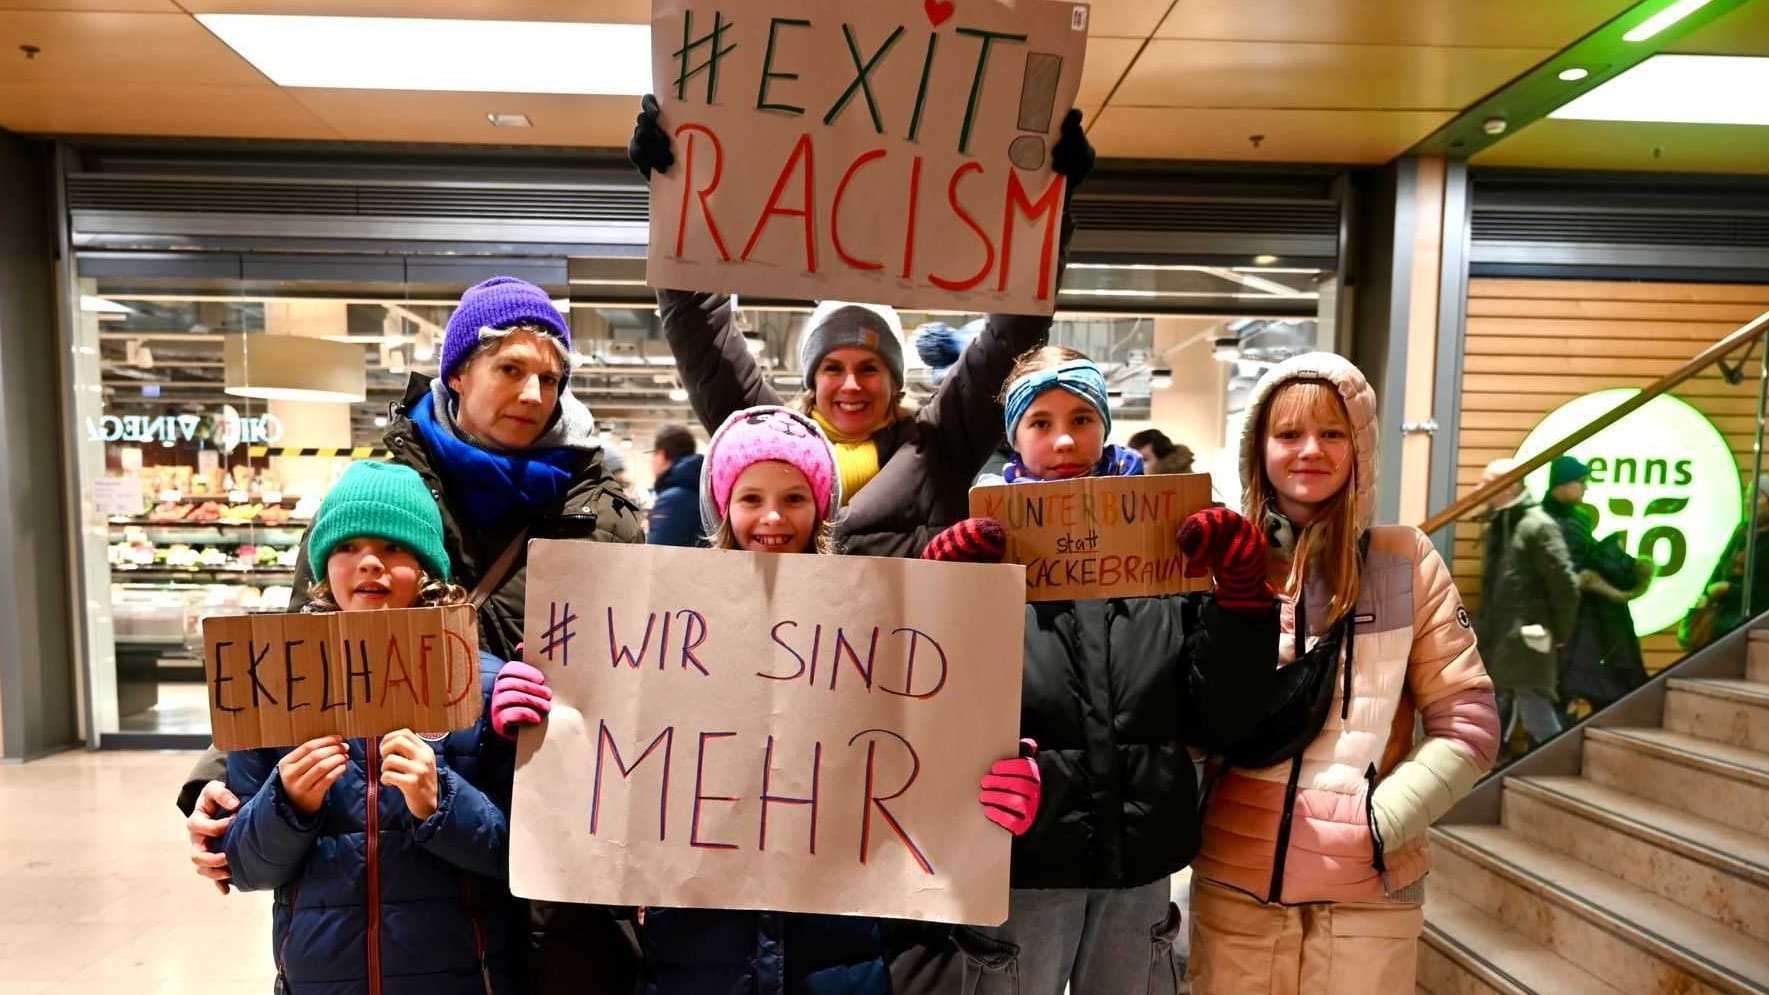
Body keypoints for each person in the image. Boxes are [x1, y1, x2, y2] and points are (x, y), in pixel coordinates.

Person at [183, 276, 645, 993]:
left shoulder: (602, 513)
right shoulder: (381, 490)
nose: (531, 394)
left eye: (549, 377)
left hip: (551, 868)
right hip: (401, 888)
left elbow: (638, 676)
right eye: (510, 369)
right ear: (457, 372)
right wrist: (221, 778)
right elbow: (304, 645)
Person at [491, 405, 1042, 995]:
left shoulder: (875, 626)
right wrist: (543, 709)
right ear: (723, 507)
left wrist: (994, 778)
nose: (772, 517)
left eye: (794, 498)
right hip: (697, 955)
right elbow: (609, 758)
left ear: (821, 508)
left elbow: (923, 742)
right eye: (750, 498)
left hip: (836, 953)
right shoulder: (657, 627)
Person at [914, 347, 1282, 995]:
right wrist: (940, 600)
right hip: (1019, 852)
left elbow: (1219, 712)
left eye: (1082, 418)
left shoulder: (1168, 541)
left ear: (1105, 425)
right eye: (1041, 421)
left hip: (1140, 854)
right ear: (1014, 436)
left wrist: (1240, 597)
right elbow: (929, 710)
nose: (1063, 439)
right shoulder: (980, 546)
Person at [629, 94, 1096, 558]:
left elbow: (1007, 341)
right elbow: (700, 334)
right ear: (813, 379)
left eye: (870, 367)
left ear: (895, 380)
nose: (851, 385)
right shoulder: (767, 434)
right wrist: (673, 198)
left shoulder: (941, 444)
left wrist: (1049, 215)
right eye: (833, 367)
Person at [1187, 353, 1499, 995]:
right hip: (1234, 877)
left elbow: (1469, 726)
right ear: (1259, 447)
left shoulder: (1403, 561)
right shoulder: (1218, 558)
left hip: (1368, 887)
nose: (1311, 451)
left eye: (1333, 433)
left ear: (1360, 445)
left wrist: (1382, 825)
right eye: (1289, 434)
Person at [220, 462, 520, 993]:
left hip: (458, 978)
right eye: (347, 547)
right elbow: (243, 867)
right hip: (319, 979)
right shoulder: (273, 683)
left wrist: (441, 801)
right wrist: (288, 803)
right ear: (321, 566)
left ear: (428, 566)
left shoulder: (485, 687)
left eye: (395, 547)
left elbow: (519, 858)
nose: (369, 564)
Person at [1476, 459, 1581, 758]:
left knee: (1534, 707)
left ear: (1509, 485)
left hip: (1526, 637)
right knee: (1514, 707)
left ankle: (1560, 765)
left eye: (1487, 482)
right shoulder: (1504, 523)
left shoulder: (1536, 526)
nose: (1479, 490)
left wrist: (1558, 633)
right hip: (1505, 637)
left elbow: (1566, 587)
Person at [1541, 455, 1651, 716]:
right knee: (1556, 685)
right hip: (1552, 617)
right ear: (1562, 484)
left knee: (1576, 678)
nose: (1585, 487)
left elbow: (1585, 556)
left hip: (1583, 615)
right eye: (1580, 481)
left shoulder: (1580, 519)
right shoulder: (1538, 522)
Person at [1682, 475, 1769, 650]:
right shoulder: (1742, 532)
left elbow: (1763, 594)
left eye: (1757, 497)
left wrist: (1726, 589)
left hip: (1749, 615)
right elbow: (1721, 566)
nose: (1749, 502)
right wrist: (1707, 594)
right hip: (1723, 609)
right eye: (1748, 496)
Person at [646, 422, 705, 547]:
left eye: (653, 454)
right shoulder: (699, 489)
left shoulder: (672, 500)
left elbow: (655, 556)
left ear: (662, 455)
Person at [1127, 428, 1195, 475]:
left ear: (1163, 460)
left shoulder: (1187, 486)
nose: (1134, 466)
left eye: (1144, 459)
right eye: (1132, 460)